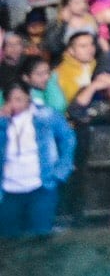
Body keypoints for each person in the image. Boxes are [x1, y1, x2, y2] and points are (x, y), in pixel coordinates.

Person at [2, 78, 75, 237]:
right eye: (11, 100)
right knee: (8, 240)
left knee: (40, 237)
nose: (15, 104)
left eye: (20, 99)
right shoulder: (3, 120)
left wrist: (60, 172)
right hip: (8, 190)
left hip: (40, 187)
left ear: (28, 97)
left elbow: (68, 139)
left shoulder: (46, 115)